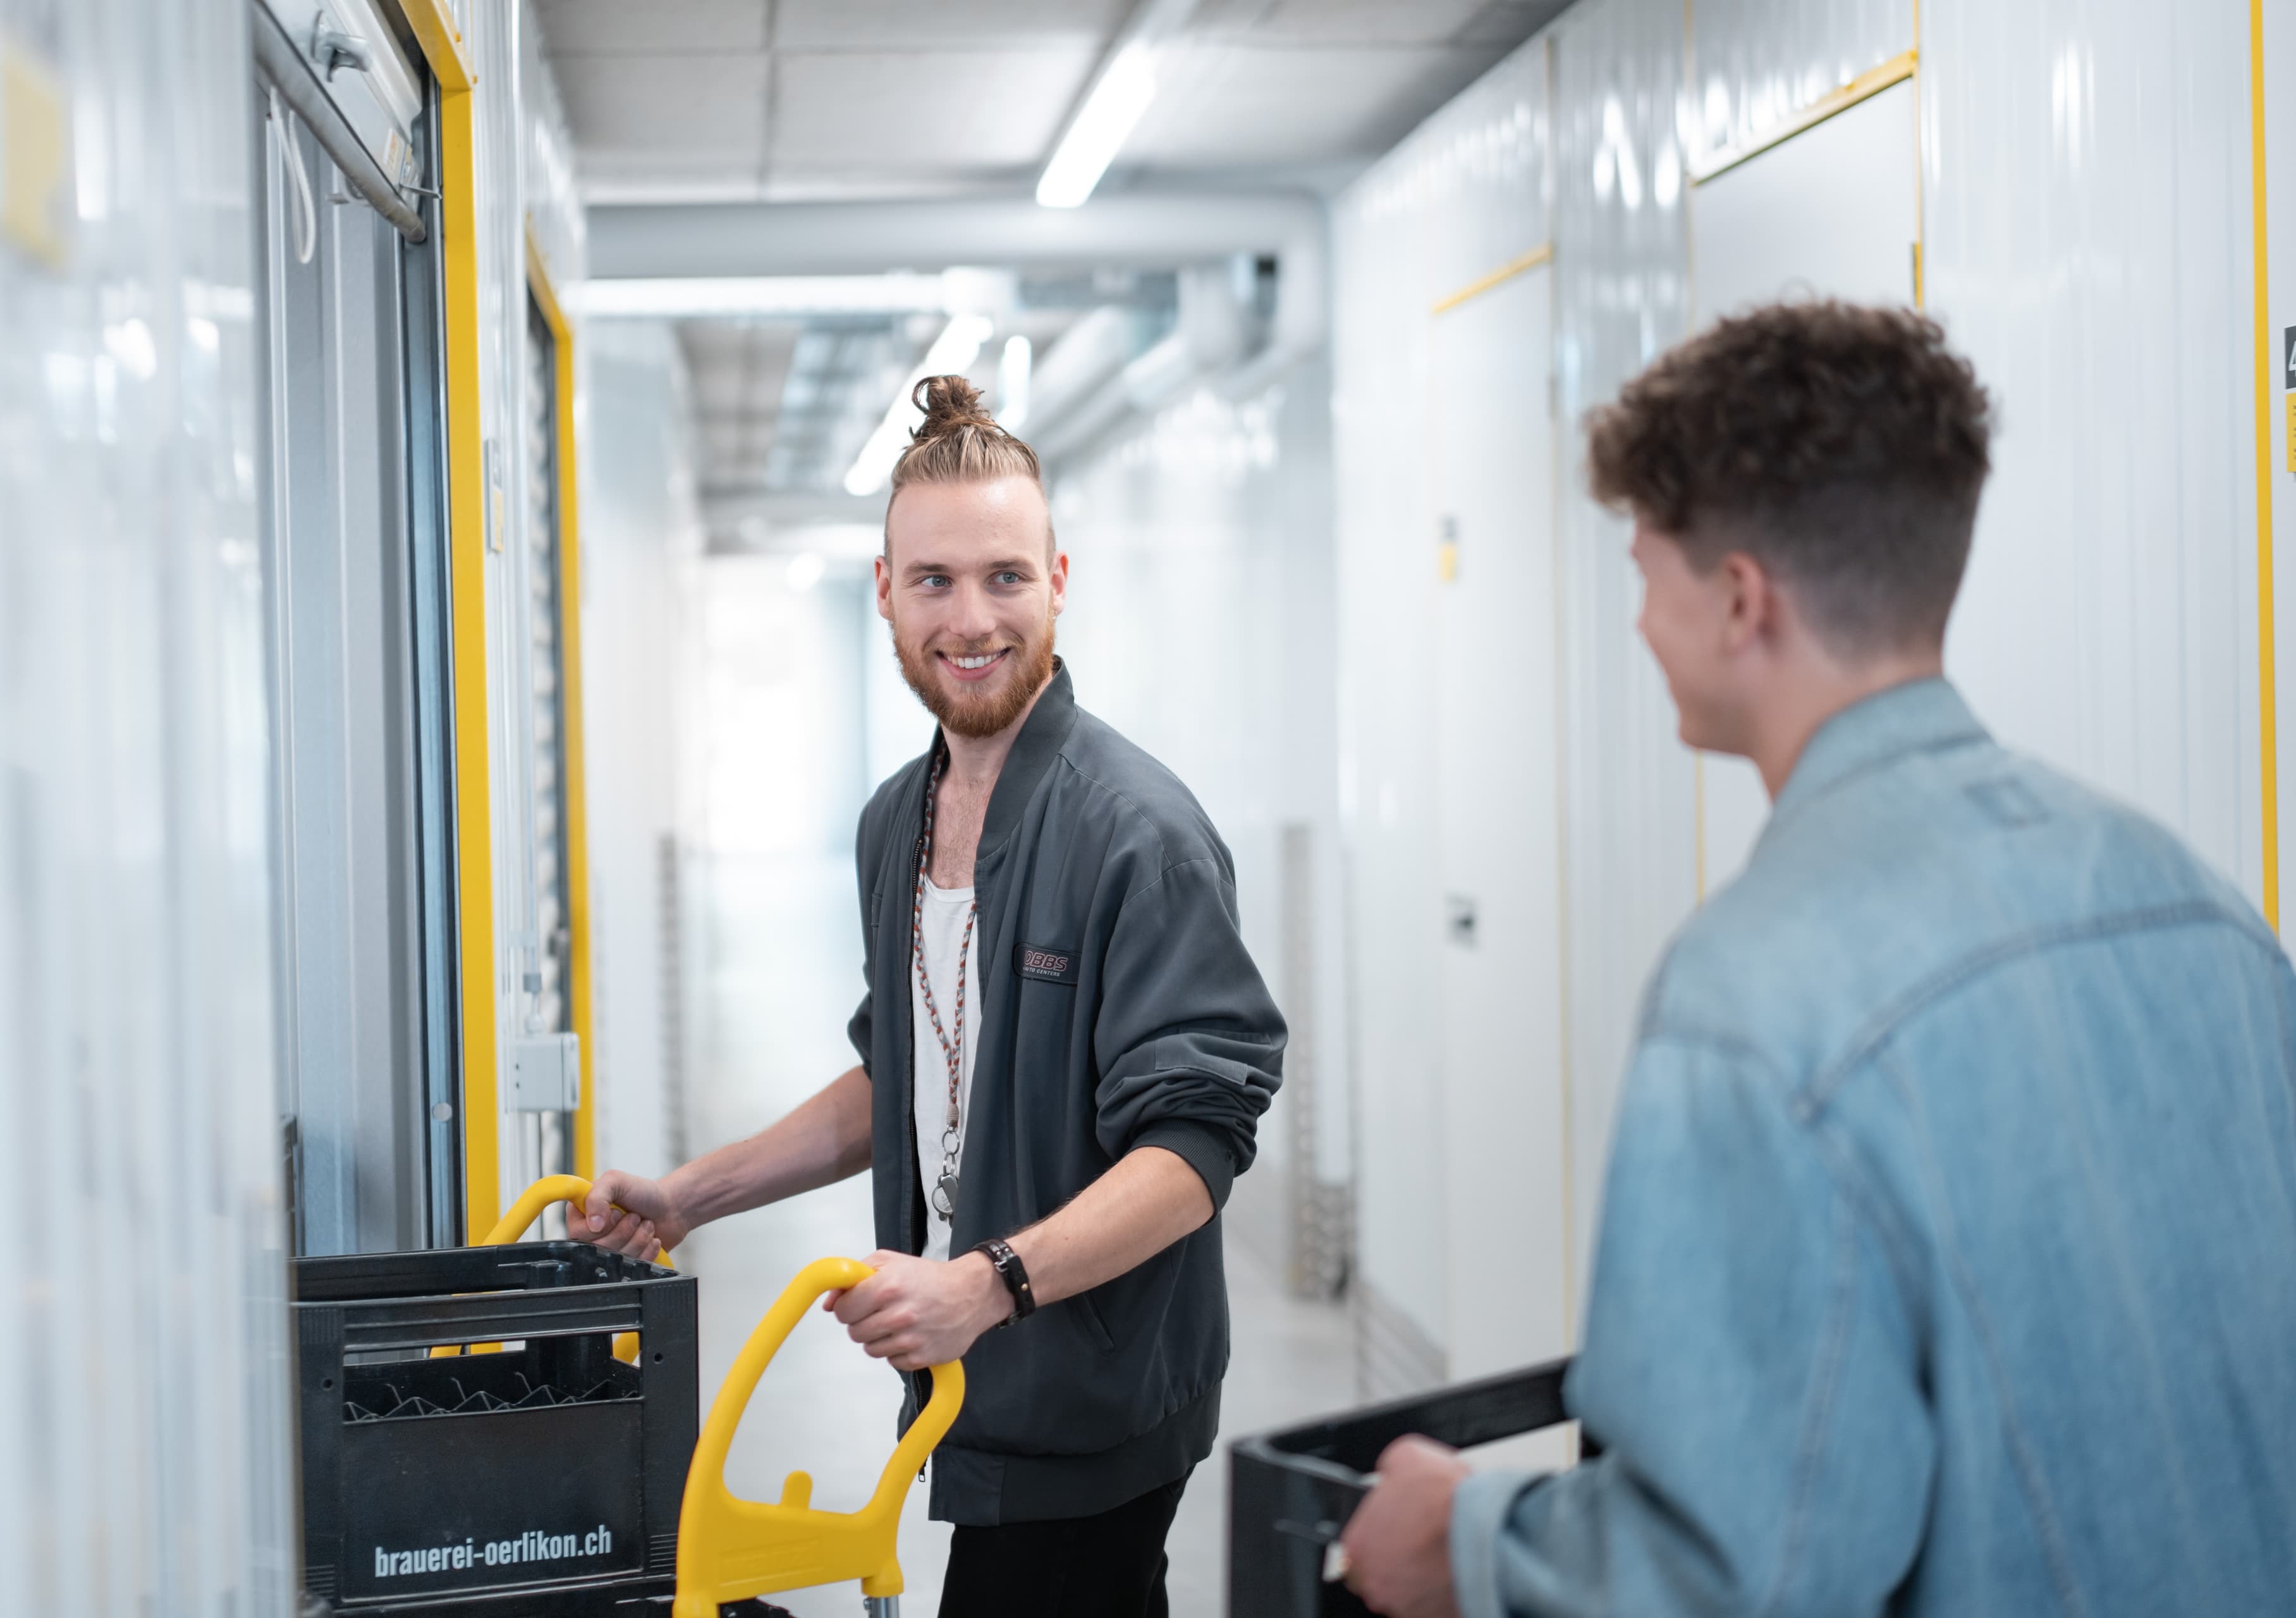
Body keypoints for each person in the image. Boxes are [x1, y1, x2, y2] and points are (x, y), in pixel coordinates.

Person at [1341, 301, 2296, 1615]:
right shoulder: (2198, 908)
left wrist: (1467, 1542)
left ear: (1740, 599)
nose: (1636, 623)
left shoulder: (1752, 997)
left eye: (1644, 571)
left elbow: (1737, 1570)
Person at [573, 375, 1286, 1617]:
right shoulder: (894, 823)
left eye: (1006, 577)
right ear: (885, 590)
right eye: (936, 580)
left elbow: (1194, 1149)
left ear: (1060, 579)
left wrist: (986, 1282)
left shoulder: (1136, 835)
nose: (973, 619)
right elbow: (896, 1078)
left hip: (1089, 1392)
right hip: (981, 1381)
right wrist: (694, 1193)